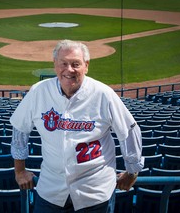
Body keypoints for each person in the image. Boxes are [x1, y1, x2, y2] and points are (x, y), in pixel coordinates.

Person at [10, 39, 144, 213]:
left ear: (86, 66)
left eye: (75, 64)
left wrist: (132, 170)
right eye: (63, 63)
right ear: (55, 65)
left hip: (95, 193)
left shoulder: (103, 94)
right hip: (51, 190)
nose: (69, 70)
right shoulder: (39, 91)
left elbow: (129, 130)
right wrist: (19, 171)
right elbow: (20, 128)